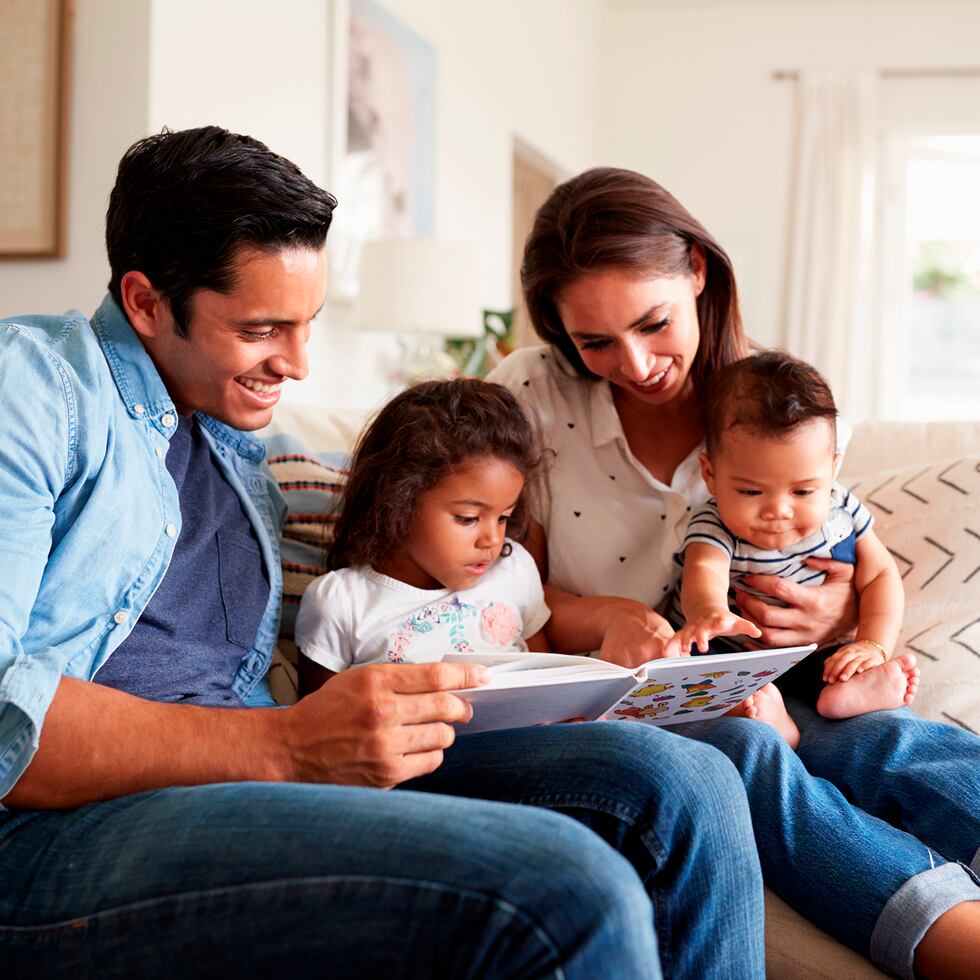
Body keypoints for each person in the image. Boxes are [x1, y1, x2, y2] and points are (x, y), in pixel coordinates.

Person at [0, 128, 766, 979]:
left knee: (688, 782)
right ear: (146, 303)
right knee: (564, 886)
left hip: (256, 781)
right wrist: (286, 746)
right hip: (57, 831)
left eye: (307, 324)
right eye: (262, 329)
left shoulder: (230, 440)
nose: (295, 362)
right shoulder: (32, 390)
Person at [488, 166, 980, 979]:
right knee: (742, 757)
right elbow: (507, 593)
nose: (637, 363)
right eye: (595, 342)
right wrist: (604, 615)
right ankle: (949, 936)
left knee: (891, 740)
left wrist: (833, 621)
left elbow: (845, 557)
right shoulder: (530, 396)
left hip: (771, 665)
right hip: (624, 692)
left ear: (697, 271)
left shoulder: (775, 406)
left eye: (653, 323)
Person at [667, 350, 918, 746]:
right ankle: (768, 717)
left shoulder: (841, 509)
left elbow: (881, 576)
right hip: (731, 653)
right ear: (711, 475)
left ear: (832, 470)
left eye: (803, 490)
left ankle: (850, 692)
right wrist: (710, 613)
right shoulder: (715, 522)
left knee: (839, 664)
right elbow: (705, 570)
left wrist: (872, 644)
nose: (778, 511)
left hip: (812, 652)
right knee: (691, 674)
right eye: (750, 491)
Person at [296, 378, 550, 690]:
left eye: (503, 518)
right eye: (468, 518)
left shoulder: (514, 569)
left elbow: (550, 677)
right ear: (397, 501)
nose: (492, 540)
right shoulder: (341, 602)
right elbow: (316, 721)